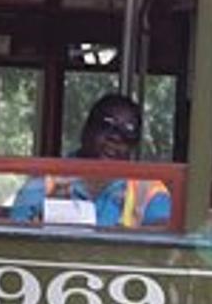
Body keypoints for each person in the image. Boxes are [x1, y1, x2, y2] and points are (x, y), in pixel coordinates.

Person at [10, 94, 171, 228]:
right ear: (86, 130)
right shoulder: (44, 184)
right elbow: (14, 242)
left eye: (127, 133)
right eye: (106, 125)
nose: (114, 137)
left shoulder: (147, 190)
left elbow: (164, 244)